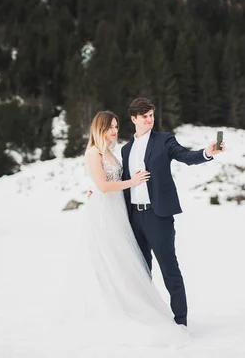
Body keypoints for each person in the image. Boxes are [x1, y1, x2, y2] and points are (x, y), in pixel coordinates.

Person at [79, 110, 188, 345]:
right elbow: (104, 186)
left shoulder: (112, 152)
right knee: (113, 263)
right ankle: (119, 311)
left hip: (121, 213)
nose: (114, 131)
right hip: (105, 215)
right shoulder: (93, 152)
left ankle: (142, 310)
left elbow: (109, 184)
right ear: (99, 128)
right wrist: (132, 182)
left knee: (129, 263)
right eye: (110, 127)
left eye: (116, 127)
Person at [121, 98, 225, 327]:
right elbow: (122, 183)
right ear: (133, 119)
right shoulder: (126, 149)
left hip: (158, 216)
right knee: (140, 272)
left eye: (151, 115)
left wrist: (207, 152)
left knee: (170, 270)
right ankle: (146, 320)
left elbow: (186, 156)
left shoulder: (164, 140)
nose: (149, 120)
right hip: (134, 218)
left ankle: (180, 323)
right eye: (144, 116)